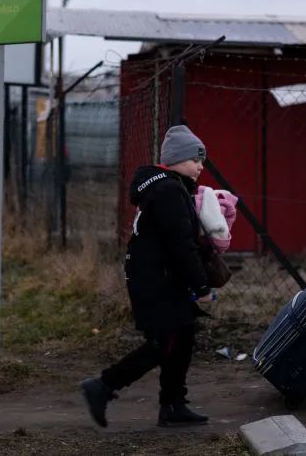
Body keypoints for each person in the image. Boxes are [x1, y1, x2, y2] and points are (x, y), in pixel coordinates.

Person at [80, 125, 214, 428]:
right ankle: (103, 386)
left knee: (181, 338)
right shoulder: (169, 191)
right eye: (196, 159)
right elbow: (180, 244)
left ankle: (173, 406)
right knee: (164, 343)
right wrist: (201, 284)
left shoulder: (164, 188)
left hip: (156, 278)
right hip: (158, 281)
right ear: (178, 159)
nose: (200, 166)